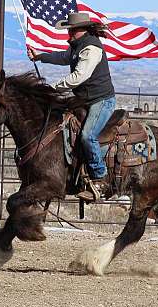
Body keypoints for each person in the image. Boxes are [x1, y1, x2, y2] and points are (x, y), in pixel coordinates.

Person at [27, 12, 116, 202]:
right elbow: (64, 57)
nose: (70, 33)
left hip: (101, 100)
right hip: (84, 99)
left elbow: (79, 77)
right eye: (70, 29)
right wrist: (40, 56)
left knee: (87, 135)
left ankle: (99, 178)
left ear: (83, 29)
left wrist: (52, 88)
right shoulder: (79, 46)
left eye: (73, 30)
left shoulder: (91, 49)